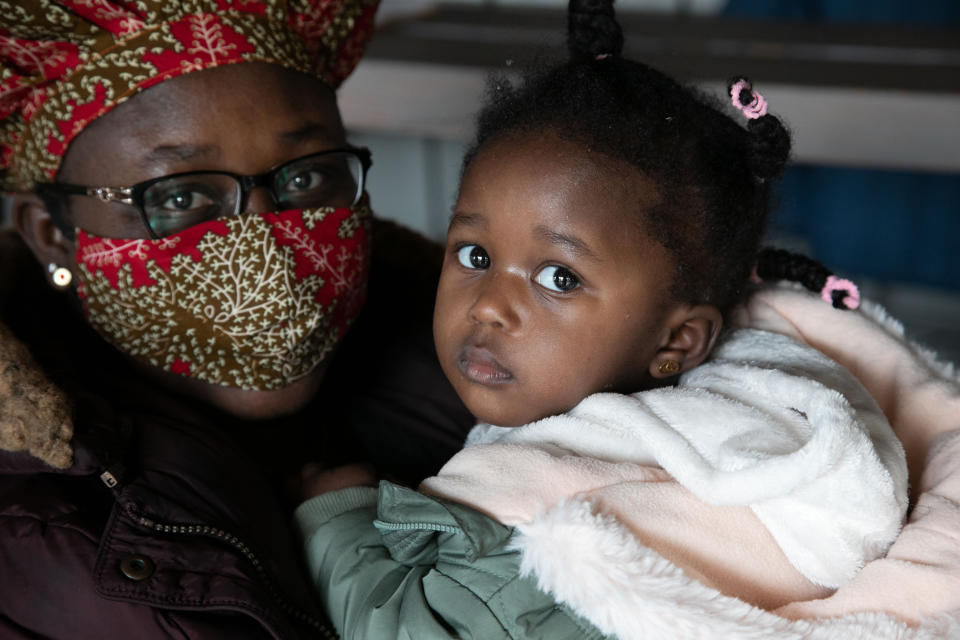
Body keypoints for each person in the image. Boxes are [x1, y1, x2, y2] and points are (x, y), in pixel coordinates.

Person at [292, 2, 956, 638]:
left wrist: (337, 515)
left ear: (677, 341)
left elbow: (405, 629)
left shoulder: (550, 519)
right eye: (475, 254)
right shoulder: (768, 428)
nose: (489, 304)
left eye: (559, 277)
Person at [0, 1, 473, 637]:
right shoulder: (37, 536)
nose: (266, 249)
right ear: (50, 234)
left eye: (306, 177)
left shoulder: (484, 372)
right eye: (179, 196)